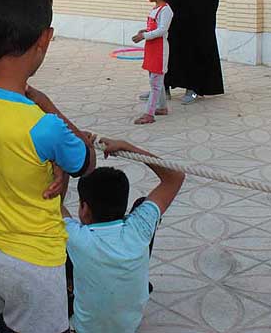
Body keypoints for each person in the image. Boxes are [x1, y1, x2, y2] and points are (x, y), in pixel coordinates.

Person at [0, 0, 95, 333]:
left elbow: (1, 129)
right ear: (45, 38)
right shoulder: (44, 126)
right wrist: (49, 109)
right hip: (34, 262)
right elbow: (83, 160)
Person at [62, 141, 185, 333]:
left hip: (83, 330)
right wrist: (127, 147)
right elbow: (175, 176)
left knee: (51, 236)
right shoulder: (138, 228)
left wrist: (62, 159)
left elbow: (54, 201)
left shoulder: (77, 238)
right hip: (129, 327)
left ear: (84, 209)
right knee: (144, 207)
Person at [132, 0, 175, 125]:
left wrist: (144, 36)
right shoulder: (156, 9)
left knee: (155, 84)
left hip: (159, 51)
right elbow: (154, 27)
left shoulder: (166, 10)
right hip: (152, 49)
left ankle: (149, 114)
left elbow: (162, 30)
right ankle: (162, 107)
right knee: (156, 80)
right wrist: (145, 31)